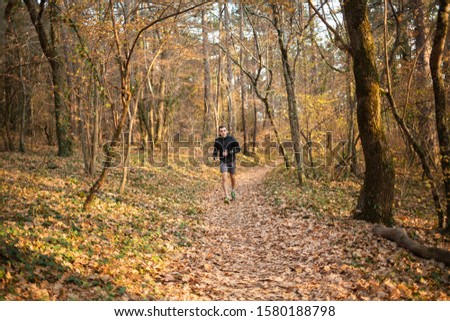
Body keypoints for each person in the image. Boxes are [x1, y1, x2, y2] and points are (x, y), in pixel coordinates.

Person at [213, 125, 241, 204]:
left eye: (224, 130)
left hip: (231, 160)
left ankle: (233, 190)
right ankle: (226, 196)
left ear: (227, 131)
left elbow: (238, 149)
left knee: (232, 176)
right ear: (219, 132)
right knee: (224, 178)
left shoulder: (231, 139)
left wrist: (230, 152)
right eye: (221, 131)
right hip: (223, 161)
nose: (223, 132)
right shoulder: (217, 140)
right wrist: (214, 156)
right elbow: (215, 150)